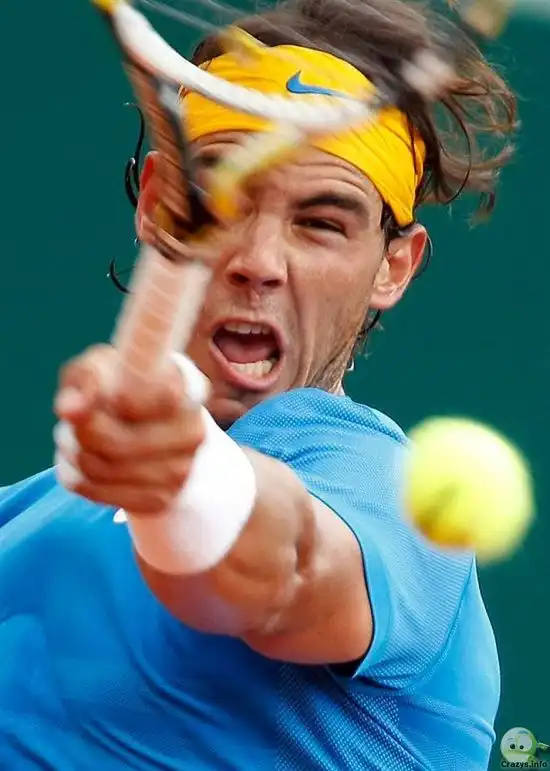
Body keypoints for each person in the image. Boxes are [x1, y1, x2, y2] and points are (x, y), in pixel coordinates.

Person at [0, 0, 517, 768]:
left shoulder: (394, 498)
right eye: (226, 201)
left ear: (394, 267)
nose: (259, 262)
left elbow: (286, 566)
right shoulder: (23, 512)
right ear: (157, 204)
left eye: (321, 223)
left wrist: (182, 476)